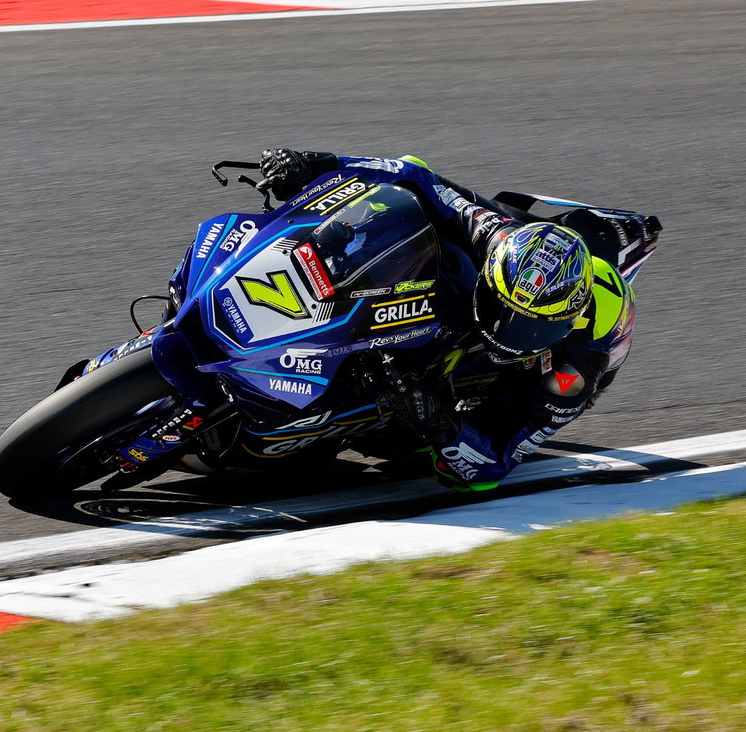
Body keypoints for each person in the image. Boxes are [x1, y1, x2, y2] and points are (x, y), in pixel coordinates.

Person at [255, 147, 659, 491]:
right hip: (518, 244)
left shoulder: (571, 371)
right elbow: (413, 172)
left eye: (529, 324)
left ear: (565, 320)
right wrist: (317, 163)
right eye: (504, 309)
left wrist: (442, 424)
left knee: (410, 446)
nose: (508, 331)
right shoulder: (494, 234)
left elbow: (491, 468)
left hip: (544, 368)